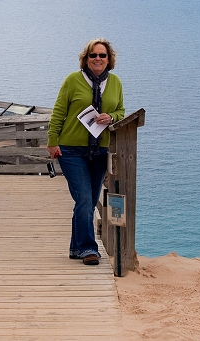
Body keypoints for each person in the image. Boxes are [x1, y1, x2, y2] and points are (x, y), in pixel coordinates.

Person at [47, 38, 125, 266]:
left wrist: (112, 117)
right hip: (71, 149)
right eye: (93, 55)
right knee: (83, 199)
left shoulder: (116, 82)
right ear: (86, 59)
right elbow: (58, 112)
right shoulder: (73, 80)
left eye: (102, 55)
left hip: (100, 150)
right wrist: (52, 141)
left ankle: (76, 247)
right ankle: (88, 248)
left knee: (89, 202)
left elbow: (121, 110)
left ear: (109, 59)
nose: (98, 59)